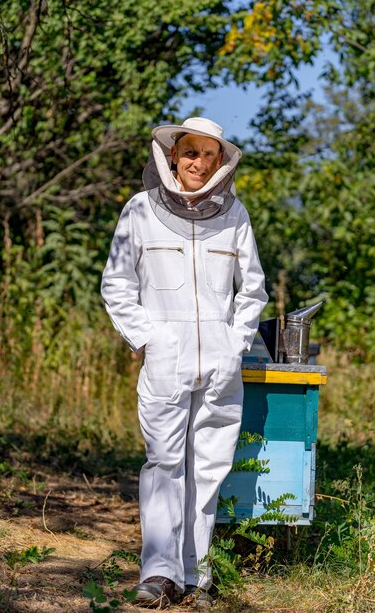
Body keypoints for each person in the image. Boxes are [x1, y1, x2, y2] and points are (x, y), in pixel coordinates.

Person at [101, 117, 267, 608]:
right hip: (165, 362)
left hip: (220, 364)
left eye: (208, 155)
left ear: (221, 161)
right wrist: (151, 338)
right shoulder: (139, 212)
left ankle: (194, 575)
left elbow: (252, 288)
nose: (198, 163)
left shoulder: (234, 214)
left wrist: (233, 343)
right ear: (173, 155)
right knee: (164, 464)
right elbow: (117, 285)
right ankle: (157, 574)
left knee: (210, 468)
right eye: (190, 153)